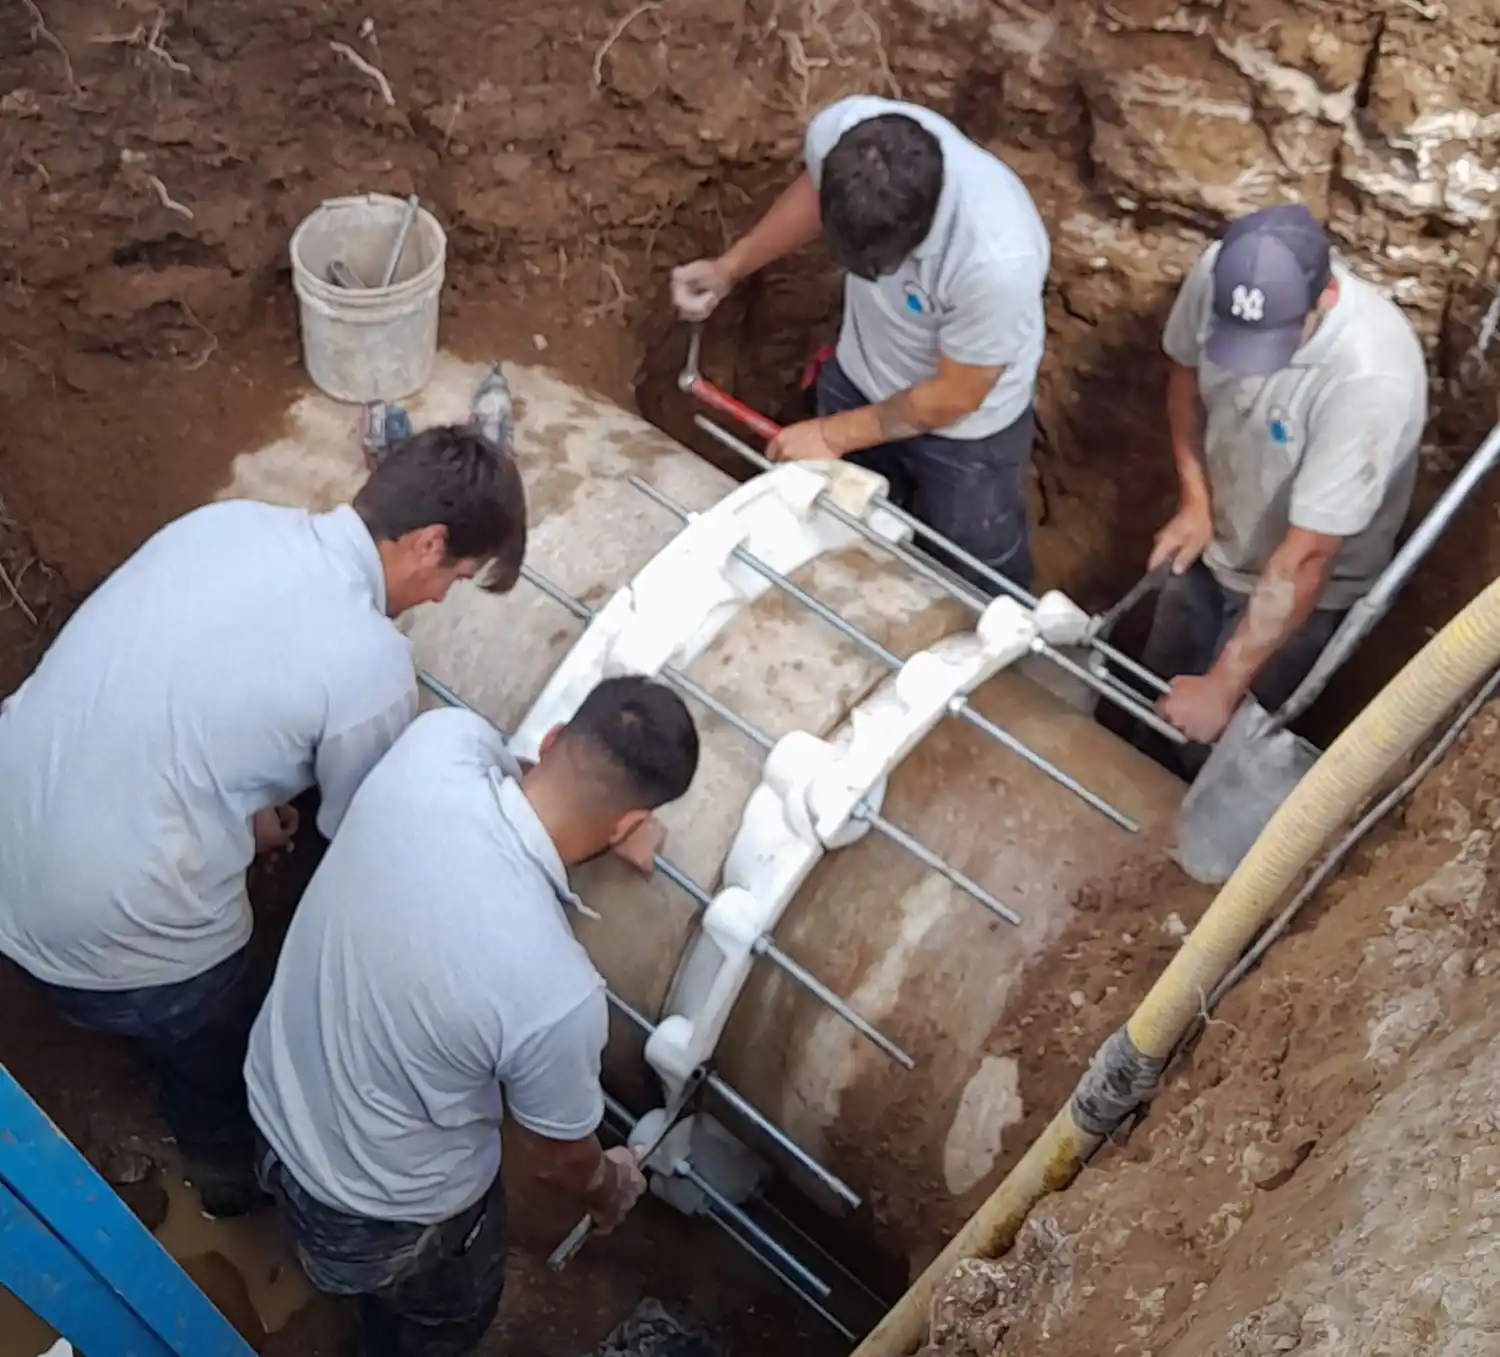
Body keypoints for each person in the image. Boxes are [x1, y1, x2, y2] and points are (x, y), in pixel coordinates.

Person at [0, 426, 528, 1217]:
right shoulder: (370, 664)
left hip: (15, 837)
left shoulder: (228, 522)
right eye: (454, 574)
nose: (440, 596)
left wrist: (234, 823)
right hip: (104, 938)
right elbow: (354, 850)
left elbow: (168, 698)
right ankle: (223, 1170)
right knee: (226, 1033)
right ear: (427, 542)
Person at [245, 676, 701, 1357]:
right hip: (375, 1208)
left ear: (549, 741)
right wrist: (612, 1185)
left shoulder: (440, 741)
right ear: (631, 825)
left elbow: (510, 773)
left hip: (267, 1092)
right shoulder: (555, 992)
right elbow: (560, 1158)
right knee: (437, 1318)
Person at [671, 94, 1051, 593]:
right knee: (841, 528)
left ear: (918, 234)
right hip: (860, 376)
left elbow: (953, 396)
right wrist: (730, 268)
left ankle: (1011, 652)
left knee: (972, 569)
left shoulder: (996, 260)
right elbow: (814, 192)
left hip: (967, 436)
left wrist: (831, 436)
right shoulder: (847, 133)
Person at [1141, 203, 1427, 764]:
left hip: (1301, 594)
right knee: (1154, 687)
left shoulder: (1371, 378)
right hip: (1215, 539)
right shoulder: (1220, 276)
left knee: (1213, 748)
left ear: (1323, 298)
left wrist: (1224, 689)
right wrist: (1195, 501)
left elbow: (1308, 556)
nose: (1250, 367)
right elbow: (1184, 374)